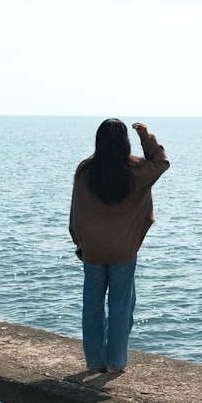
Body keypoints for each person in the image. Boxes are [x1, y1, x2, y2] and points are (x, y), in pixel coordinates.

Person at [69, 118, 170, 373]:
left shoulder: (85, 170)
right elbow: (162, 163)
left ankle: (94, 362)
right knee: (120, 306)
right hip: (123, 250)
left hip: (92, 251)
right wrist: (146, 136)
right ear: (124, 141)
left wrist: (79, 244)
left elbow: (77, 212)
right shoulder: (135, 170)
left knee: (92, 306)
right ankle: (115, 364)